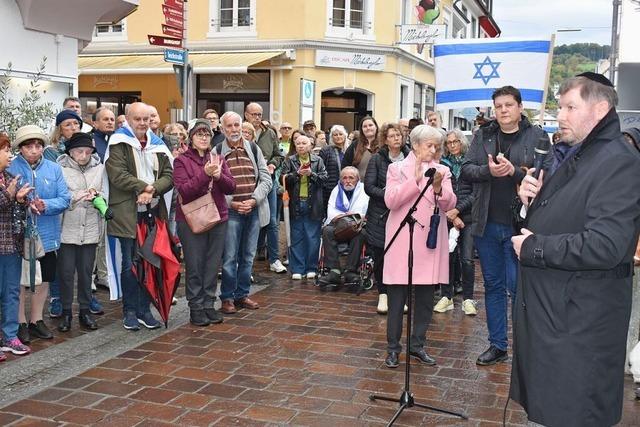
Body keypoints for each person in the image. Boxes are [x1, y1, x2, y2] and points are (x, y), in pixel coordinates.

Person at [509, 73, 640, 427]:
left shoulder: (618, 161)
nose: (560, 116)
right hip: (556, 315)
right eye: (559, 107)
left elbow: (607, 245)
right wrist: (526, 202)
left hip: (580, 322)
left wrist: (535, 248)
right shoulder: (569, 155)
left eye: (570, 107)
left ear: (599, 109)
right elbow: (555, 217)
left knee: (574, 412)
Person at [461, 85, 549, 366]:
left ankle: (524, 346)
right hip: (486, 223)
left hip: (520, 226)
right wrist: (489, 170)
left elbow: (546, 173)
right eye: (498, 106)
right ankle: (498, 345)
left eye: (509, 105)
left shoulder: (536, 135)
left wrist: (515, 172)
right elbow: (465, 170)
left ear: (520, 107)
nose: (503, 110)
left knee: (518, 287)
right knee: (493, 286)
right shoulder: (483, 134)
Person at [382, 125, 455, 369]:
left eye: (437, 146)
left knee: (425, 298)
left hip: (429, 242)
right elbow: (391, 200)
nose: (434, 150)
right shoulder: (397, 168)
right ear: (415, 145)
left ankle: (417, 345)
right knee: (396, 298)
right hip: (403, 237)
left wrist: (437, 187)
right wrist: (414, 181)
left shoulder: (443, 170)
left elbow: (449, 202)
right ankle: (393, 348)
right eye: (429, 145)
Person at [105, 102, 173, 331]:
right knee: (130, 264)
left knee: (150, 263)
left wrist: (152, 190)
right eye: (138, 119)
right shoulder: (117, 142)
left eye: (147, 119)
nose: (143, 123)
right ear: (128, 119)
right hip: (127, 214)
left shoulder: (158, 144)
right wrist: (146, 188)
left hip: (153, 213)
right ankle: (130, 311)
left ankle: (146, 309)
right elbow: (118, 175)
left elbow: (169, 175)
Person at [8, 125, 71, 343]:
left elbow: (65, 198)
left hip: (47, 234)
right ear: (20, 148)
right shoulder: (10, 167)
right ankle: (19, 321)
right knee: (20, 280)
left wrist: (46, 204)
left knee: (43, 279)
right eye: (29, 146)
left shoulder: (54, 169)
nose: (34, 150)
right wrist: (23, 203)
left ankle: (36, 319)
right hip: (18, 234)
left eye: (38, 146)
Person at [174, 119, 235, 327]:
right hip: (191, 220)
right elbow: (185, 190)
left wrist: (218, 176)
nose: (203, 137)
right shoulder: (181, 160)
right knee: (195, 264)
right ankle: (196, 307)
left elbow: (231, 187)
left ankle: (209, 303)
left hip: (218, 217)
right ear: (191, 138)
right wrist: (205, 174)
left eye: (207, 134)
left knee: (212, 264)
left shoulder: (218, 157)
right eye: (199, 134)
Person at [216, 111, 272, 314]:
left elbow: (266, 179)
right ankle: (227, 298)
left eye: (236, 125)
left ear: (242, 126)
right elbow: (214, 187)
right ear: (222, 129)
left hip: (253, 210)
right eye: (229, 126)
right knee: (230, 257)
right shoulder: (217, 152)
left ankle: (242, 295)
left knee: (248, 256)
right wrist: (232, 204)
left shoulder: (254, 149)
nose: (233, 130)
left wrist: (253, 200)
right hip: (231, 212)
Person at [56, 132, 105, 332]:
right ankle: (66, 312)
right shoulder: (60, 169)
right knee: (66, 273)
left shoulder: (100, 169)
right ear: (70, 152)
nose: (83, 155)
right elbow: (59, 196)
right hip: (67, 228)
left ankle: (85, 310)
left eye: (87, 151)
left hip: (91, 227)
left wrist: (97, 196)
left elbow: (106, 193)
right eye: (79, 151)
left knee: (87, 273)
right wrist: (76, 197)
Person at [364, 123, 410, 314]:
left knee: (401, 256)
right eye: (391, 136)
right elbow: (369, 186)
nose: (396, 139)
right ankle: (383, 293)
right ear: (385, 139)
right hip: (380, 214)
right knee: (381, 253)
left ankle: (399, 296)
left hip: (404, 213)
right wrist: (389, 196)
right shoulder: (377, 159)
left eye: (398, 135)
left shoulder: (410, 157)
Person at [434, 129, 476, 315]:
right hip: (447, 216)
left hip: (468, 217)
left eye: (455, 141)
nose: (452, 145)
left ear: (462, 142)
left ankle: (468, 299)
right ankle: (446, 296)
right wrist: (451, 213)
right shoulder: (441, 165)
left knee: (467, 259)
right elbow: (438, 193)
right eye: (449, 142)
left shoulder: (471, 163)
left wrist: (458, 210)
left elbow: (476, 193)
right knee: (447, 258)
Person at [0, 132, 32, 359]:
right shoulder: (9, 183)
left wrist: (21, 200)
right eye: (6, 150)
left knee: (11, 291)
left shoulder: (10, 176)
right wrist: (10, 195)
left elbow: (18, 211)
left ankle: (9, 335)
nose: (9, 155)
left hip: (12, 244)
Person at [244, 103, 286, 274]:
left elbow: (278, 155)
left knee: (272, 222)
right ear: (246, 115)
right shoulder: (242, 131)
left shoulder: (269, 133)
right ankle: (246, 264)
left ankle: (274, 259)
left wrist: (272, 165)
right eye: (253, 114)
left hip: (268, 181)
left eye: (260, 114)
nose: (257, 117)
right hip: (248, 183)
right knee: (248, 222)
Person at [281, 135, 327, 280]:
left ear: (310, 145)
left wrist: (311, 174)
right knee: (296, 236)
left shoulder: (318, 160)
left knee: (312, 237)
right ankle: (297, 268)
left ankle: (311, 267)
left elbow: (324, 179)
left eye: (304, 143)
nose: (301, 146)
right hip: (295, 202)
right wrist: (297, 174)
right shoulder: (290, 160)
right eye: (298, 143)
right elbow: (283, 179)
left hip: (313, 203)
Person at [318, 166, 368, 290]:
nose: (347, 181)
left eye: (351, 177)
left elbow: (362, 211)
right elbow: (331, 212)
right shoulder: (336, 190)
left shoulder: (364, 190)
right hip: (339, 225)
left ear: (357, 179)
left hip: (356, 225)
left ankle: (351, 271)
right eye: (344, 178)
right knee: (327, 231)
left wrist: (349, 216)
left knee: (361, 233)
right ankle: (334, 271)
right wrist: (346, 216)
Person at [318, 125, 347, 207]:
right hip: (329, 190)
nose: (338, 136)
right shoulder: (325, 151)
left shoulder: (350, 150)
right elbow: (320, 171)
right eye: (335, 134)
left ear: (345, 135)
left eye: (340, 134)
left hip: (347, 187)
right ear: (331, 137)